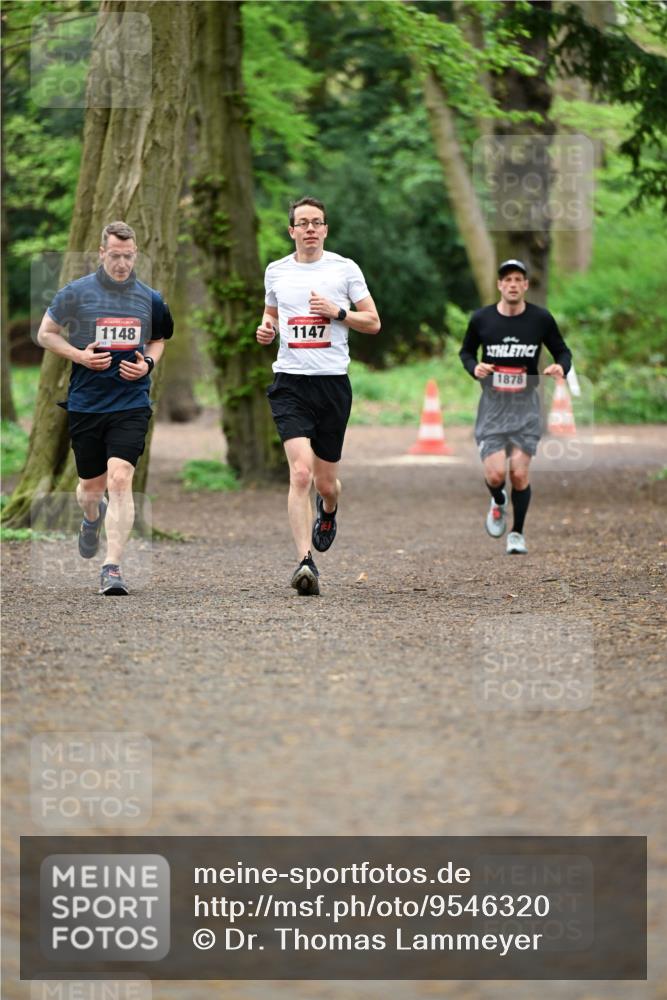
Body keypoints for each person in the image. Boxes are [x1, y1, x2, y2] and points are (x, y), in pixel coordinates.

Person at [37, 221, 173, 594]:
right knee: (91, 489)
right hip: (87, 404)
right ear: (101, 253)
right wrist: (79, 356)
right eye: (115, 256)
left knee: (120, 479)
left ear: (136, 255)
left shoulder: (150, 299)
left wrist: (148, 364)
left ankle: (112, 567)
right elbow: (45, 334)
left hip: (130, 403)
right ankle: (90, 519)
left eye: (128, 257)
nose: (122, 264)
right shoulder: (76, 294)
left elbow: (159, 339)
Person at [256, 197, 380, 595]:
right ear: (291, 230)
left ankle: (328, 511)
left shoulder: (345, 270)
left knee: (327, 484)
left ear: (325, 229)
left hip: (331, 384)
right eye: (303, 223)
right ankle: (305, 562)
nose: (310, 229)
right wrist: (266, 329)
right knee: (301, 473)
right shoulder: (276, 271)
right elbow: (271, 314)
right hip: (290, 383)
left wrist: (337, 313)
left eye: (317, 223)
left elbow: (373, 322)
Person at [459, 259, 572, 555]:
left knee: (519, 474)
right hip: (493, 406)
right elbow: (466, 351)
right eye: (506, 279)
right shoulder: (482, 319)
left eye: (517, 279)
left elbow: (562, 350)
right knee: (496, 475)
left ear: (525, 286)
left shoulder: (540, 319)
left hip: (526, 406)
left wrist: (561, 366)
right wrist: (475, 368)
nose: (512, 284)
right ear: (499, 285)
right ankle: (498, 501)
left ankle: (517, 534)